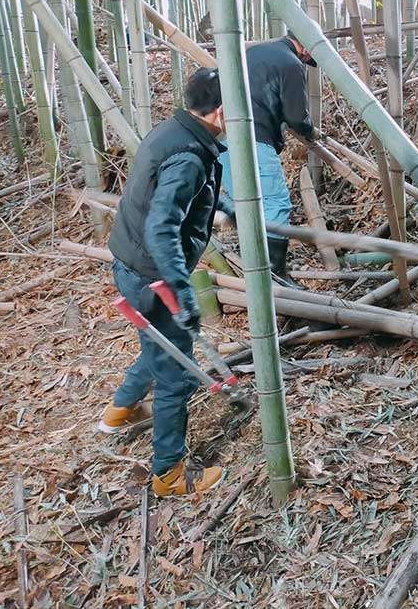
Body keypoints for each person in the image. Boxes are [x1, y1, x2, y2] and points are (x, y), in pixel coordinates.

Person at [99, 67, 230, 498]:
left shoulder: (176, 130)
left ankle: (120, 410)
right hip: (152, 274)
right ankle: (170, 476)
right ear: (221, 112)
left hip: (131, 263)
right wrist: (181, 287)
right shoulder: (190, 156)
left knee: (157, 344)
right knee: (175, 374)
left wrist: (227, 205)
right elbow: (161, 228)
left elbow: (180, 193)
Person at [218, 29, 318, 283]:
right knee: (275, 204)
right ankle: (275, 275)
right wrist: (310, 131)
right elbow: (297, 116)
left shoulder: (254, 52)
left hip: (221, 136)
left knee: (247, 202)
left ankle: (252, 266)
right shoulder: (291, 63)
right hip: (254, 139)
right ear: (305, 48)